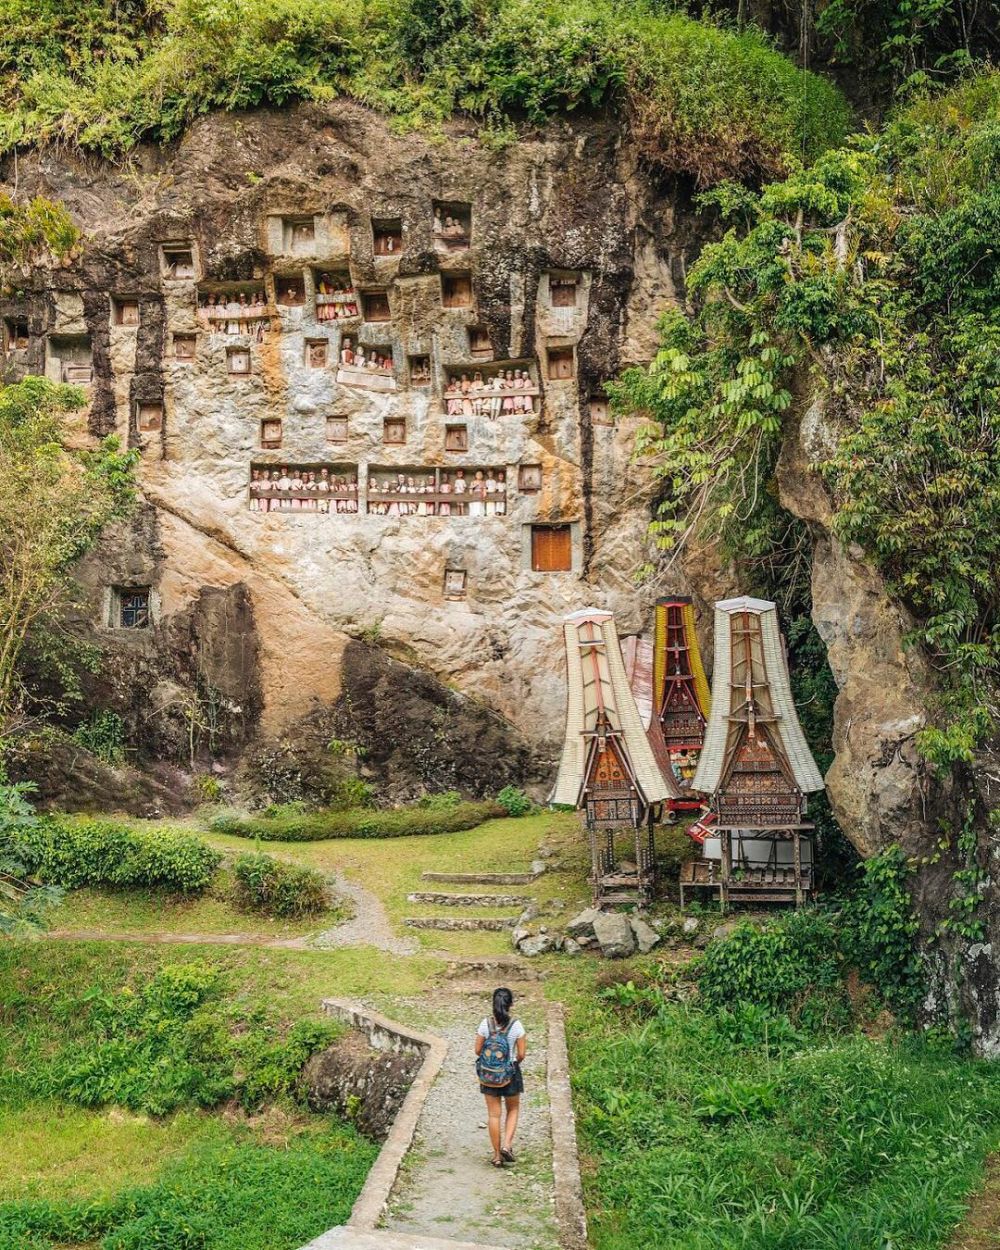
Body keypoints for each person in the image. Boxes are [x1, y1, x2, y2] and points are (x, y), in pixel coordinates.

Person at [475, 987, 525, 1168]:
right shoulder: (516, 1026)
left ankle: (496, 1156)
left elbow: (477, 1050)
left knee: (493, 1115)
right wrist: (512, 1063)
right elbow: (521, 1054)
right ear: (510, 1004)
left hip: (488, 1075)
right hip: (510, 1073)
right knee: (513, 1109)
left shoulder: (485, 1024)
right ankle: (507, 1145)